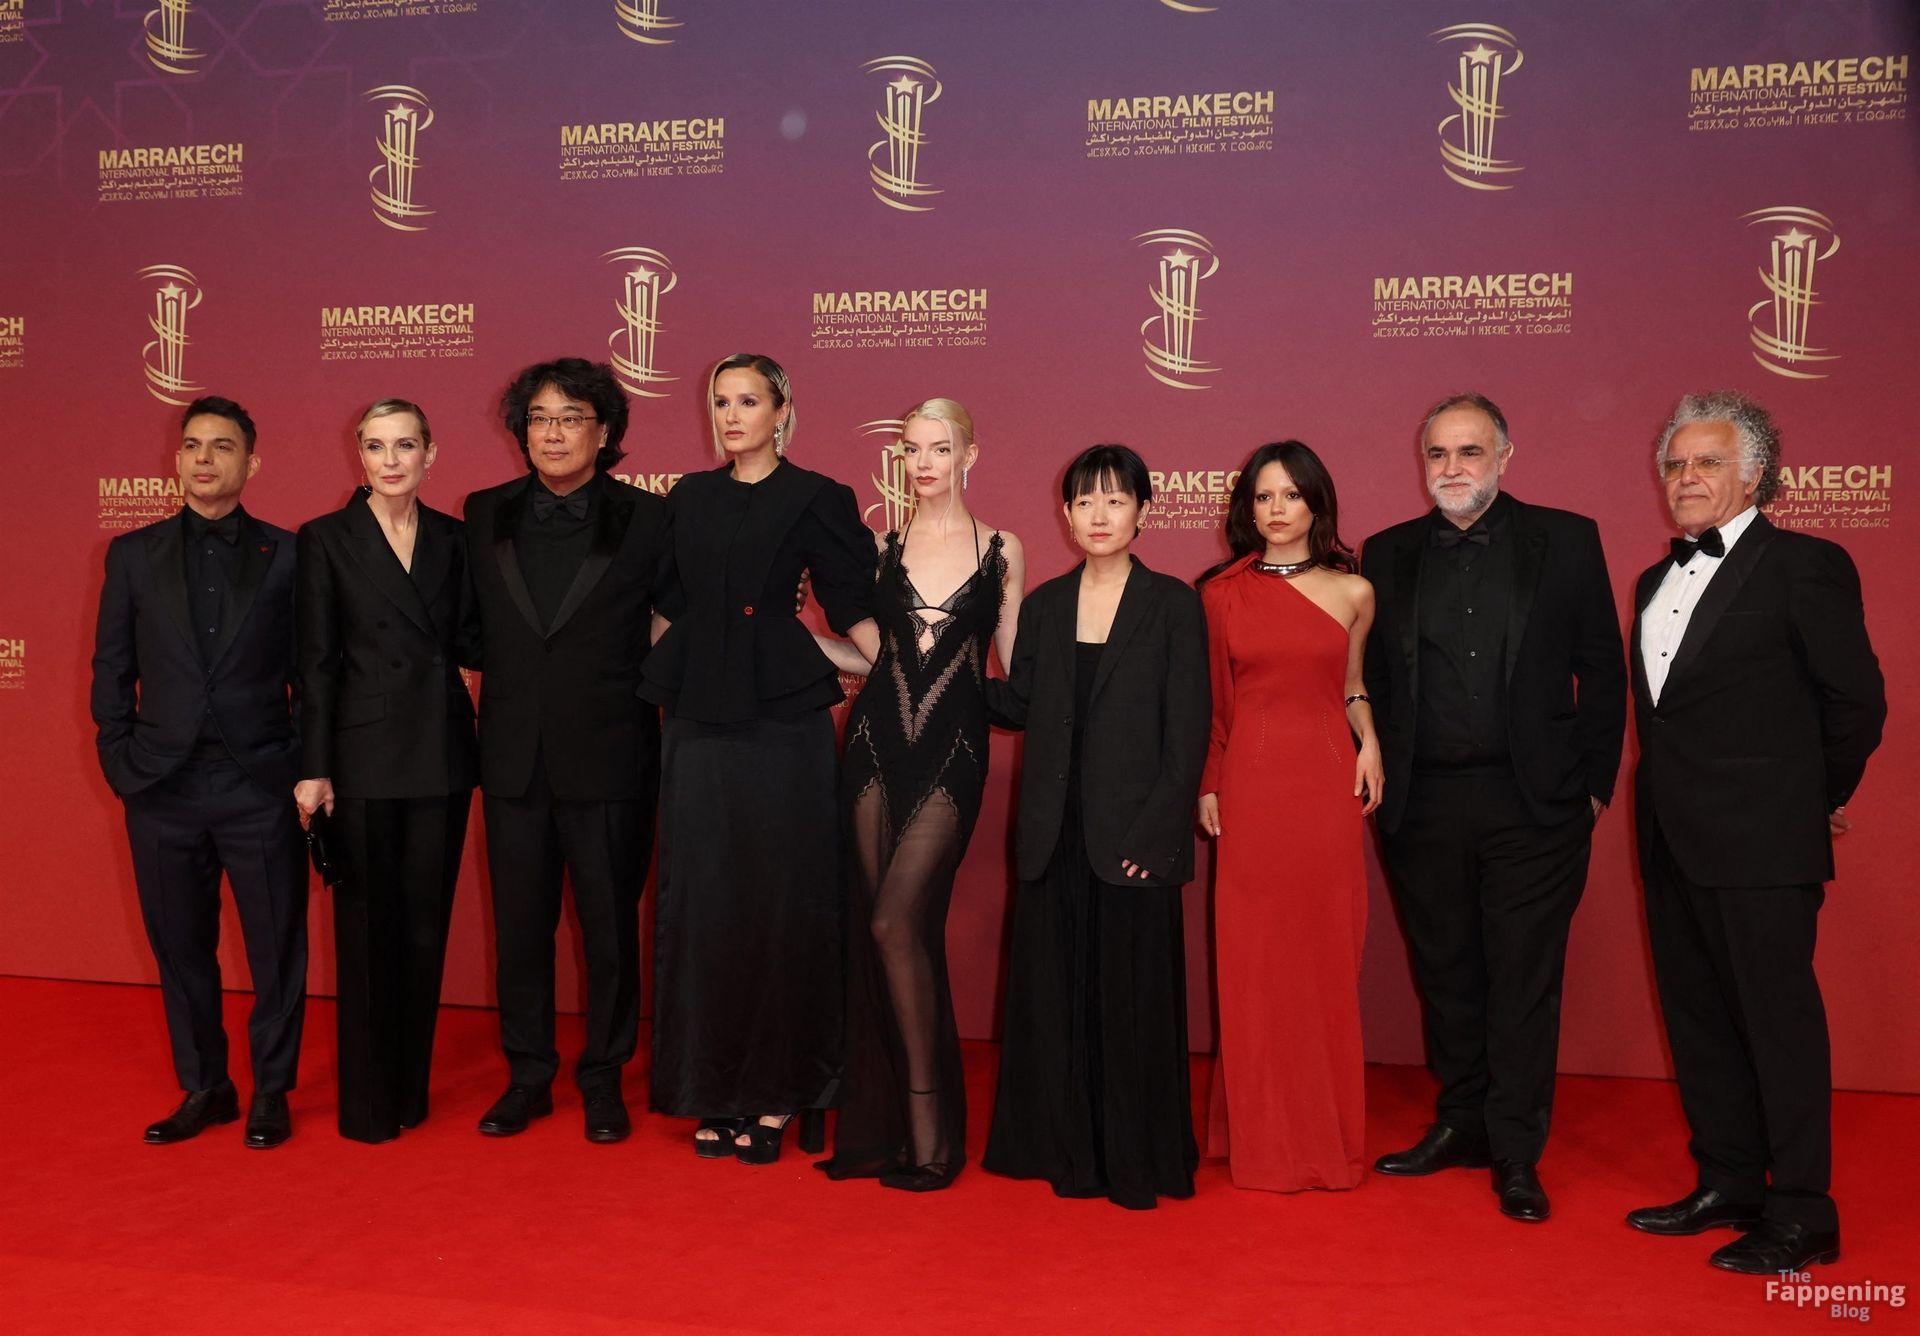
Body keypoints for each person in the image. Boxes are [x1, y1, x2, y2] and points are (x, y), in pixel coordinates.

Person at [1625, 392, 1884, 1274]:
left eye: (1707, 463)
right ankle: (1729, 1182)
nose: (1686, 478)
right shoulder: (1651, 582)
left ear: (1755, 475)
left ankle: (1804, 1210)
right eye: (1675, 464)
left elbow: (1856, 701)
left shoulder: (1806, 565)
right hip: (1671, 838)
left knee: (1779, 1028)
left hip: (1764, 841)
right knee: (1698, 1020)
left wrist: (1813, 797)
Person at [1361, 392, 1625, 1223]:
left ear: (1505, 456)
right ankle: (1462, 1120)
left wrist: (1593, 785)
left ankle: (1515, 1148)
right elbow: (1371, 681)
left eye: (1469, 451)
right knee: (1447, 972)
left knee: (1522, 979)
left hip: (1534, 803)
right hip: (1424, 802)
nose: (1452, 468)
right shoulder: (1386, 552)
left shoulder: (1568, 540)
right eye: (1437, 453)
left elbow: (1603, 669)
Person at [641, 352, 879, 1164]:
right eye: (721, 401)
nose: (732, 416)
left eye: (748, 401)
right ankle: (712, 1086)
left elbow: (852, 607)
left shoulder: (817, 496)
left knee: (782, 902)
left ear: (782, 411)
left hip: (782, 731)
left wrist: (880, 665)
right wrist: (660, 688)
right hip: (698, 726)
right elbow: (668, 612)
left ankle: (780, 1090)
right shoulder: (689, 498)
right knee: (704, 902)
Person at [980, 444, 1210, 1210]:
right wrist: (938, 664)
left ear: (1144, 510)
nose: (1099, 515)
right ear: (1067, 514)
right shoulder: (1046, 606)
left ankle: (1133, 1160)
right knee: (1054, 1002)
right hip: (1054, 838)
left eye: (1115, 500)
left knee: (1130, 1005)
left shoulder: (1173, 605)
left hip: (1133, 841)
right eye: (1085, 501)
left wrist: (1156, 837)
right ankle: (1057, 1150)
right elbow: (1021, 706)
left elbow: (1188, 734)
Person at [812, 397, 1026, 1191]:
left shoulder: (1003, 547)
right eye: (911, 449)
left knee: (895, 922)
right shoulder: (881, 547)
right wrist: (794, 642)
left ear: (970, 455)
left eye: (938, 448)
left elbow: (1016, 669)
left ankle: (933, 1138)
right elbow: (874, 660)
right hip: (873, 748)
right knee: (888, 937)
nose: (923, 463)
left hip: (954, 755)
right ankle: (885, 1135)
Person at [90, 395, 307, 1148]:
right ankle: (206, 1086)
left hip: (259, 784)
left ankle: (271, 1090)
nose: (204, 458)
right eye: (192, 445)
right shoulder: (132, 554)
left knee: (277, 947)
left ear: (252, 462)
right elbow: (111, 668)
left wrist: (299, 766)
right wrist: (122, 761)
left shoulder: (289, 555)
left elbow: (312, 672)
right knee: (180, 947)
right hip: (162, 786)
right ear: (177, 459)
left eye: (222, 446)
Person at [464, 358, 668, 1143]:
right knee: (521, 931)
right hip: (512, 757)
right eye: (540, 418)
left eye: (571, 417)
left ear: (604, 431)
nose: (553, 433)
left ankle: (604, 1076)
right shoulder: (483, 513)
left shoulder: (648, 518)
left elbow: (678, 617)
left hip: (612, 755)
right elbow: (467, 626)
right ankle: (528, 1075)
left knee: (610, 931)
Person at [1196, 441, 1380, 1192]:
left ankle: (1324, 1136)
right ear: (1248, 507)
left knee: (1326, 958)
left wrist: (1372, 743)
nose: (1276, 509)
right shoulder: (1218, 594)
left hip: (1328, 787)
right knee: (1255, 965)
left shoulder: (1354, 590)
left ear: (1316, 503)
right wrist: (1209, 783)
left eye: (1291, 495)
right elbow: (1214, 706)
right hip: (1252, 788)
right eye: (1263, 496)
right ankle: (1263, 1138)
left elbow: (1353, 685)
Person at [294, 399, 478, 1143]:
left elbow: (476, 637)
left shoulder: (455, 539)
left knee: (426, 931)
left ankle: (409, 1091)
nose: (391, 460)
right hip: (362, 756)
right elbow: (314, 663)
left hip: (441, 750)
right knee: (368, 933)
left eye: (405, 445)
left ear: (431, 453)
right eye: (376, 446)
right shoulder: (326, 538)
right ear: (360, 455)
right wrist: (314, 767)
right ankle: (369, 1108)